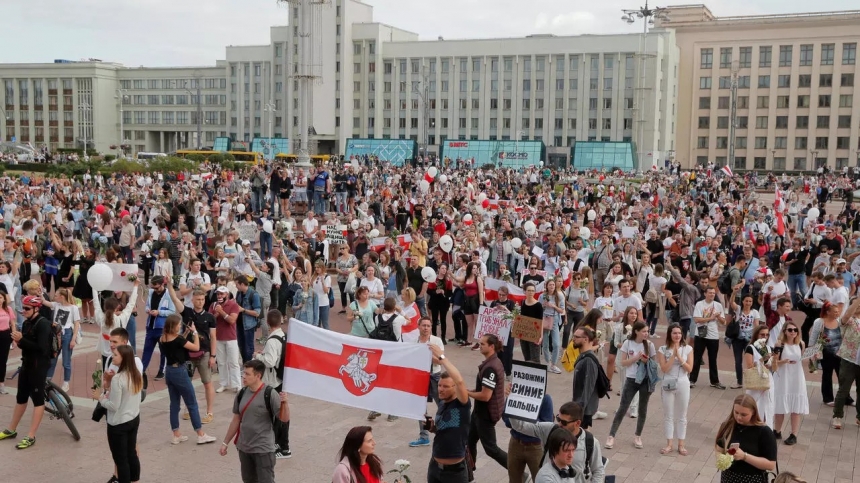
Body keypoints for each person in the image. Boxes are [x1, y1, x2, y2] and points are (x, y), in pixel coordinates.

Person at [219, 360, 285, 483]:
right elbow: (236, 420)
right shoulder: (242, 393)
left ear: (258, 376)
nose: (243, 377)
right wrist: (225, 442)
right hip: (244, 448)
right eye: (243, 373)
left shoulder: (270, 394)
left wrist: (284, 403)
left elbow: (284, 418)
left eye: (247, 374)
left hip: (263, 450)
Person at [509, 401, 606, 483]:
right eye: (558, 419)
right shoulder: (550, 430)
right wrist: (513, 400)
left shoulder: (591, 442)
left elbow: (598, 471)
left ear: (577, 423)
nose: (559, 424)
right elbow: (520, 426)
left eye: (564, 422)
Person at [0, 296, 52, 449]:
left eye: (27, 308)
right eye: (23, 308)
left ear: (36, 309)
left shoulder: (43, 324)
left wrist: (21, 340)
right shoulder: (27, 323)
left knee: (38, 400)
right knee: (21, 397)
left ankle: (31, 435)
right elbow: (26, 345)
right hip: (27, 364)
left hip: (39, 366)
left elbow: (42, 348)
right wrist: (19, 341)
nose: (24, 311)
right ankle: (11, 429)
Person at [157, 314, 216, 445]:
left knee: (174, 404)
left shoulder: (162, 338)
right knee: (192, 403)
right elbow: (196, 347)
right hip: (180, 372)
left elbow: (177, 344)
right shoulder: (178, 339)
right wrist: (194, 332)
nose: (180, 326)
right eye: (178, 325)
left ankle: (176, 434)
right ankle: (200, 434)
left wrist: (185, 333)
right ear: (174, 326)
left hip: (169, 371)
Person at [93, 345, 143, 483]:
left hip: (118, 424)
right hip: (134, 418)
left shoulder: (118, 379)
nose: (112, 357)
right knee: (131, 453)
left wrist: (100, 398)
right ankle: (135, 480)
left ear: (123, 358)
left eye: (115, 355)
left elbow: (113, 406)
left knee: (120, 459)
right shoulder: (136, 374)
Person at [605, 321, 657, 450]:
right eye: (644, 331)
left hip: (645, 380)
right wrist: (636, 358)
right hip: (631, 379)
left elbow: (654, 365)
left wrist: (647, 360)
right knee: (623, 407)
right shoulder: (628, 343)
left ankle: (638, 436)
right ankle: (611, 435)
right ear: (636, 331)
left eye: (647, 331)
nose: (646, 333)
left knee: (642, 409)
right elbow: (623, 362)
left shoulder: (650, 345)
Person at [426, 343, 471, 483]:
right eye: (439, 385)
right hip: (435, 467)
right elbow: (443, 430)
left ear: (454, 388)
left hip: (455, 473)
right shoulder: (441, 403)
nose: (440, 389)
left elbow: (460, 381)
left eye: (446, 386)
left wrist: (442, 357)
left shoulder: (462, 404)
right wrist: (432, 427)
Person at [466, 334, 508, 471]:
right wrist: (470, 390)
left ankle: (517, 469)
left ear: (491, 347)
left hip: (486, 414)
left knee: (491, 449)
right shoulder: (493, 363)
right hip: (479, 412)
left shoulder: (490, 368)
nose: (480, 346)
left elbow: (485, 396)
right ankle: (468, 473)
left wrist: (467, 393)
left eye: (483, 344)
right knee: (469, 441)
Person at [714, 394, 778, 483]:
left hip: (752, 479)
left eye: (744, 414)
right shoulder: (727, 426)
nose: (739, 417)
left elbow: (771, 464)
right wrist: (723, 459)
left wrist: (744, 456)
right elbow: (719, 449)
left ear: (753, 413)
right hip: (728, 478)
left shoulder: (764, 432)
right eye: (736, 412)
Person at [254, 309, 291, 459]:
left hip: (274, 381)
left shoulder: (272, 340)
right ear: (281, 320)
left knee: (279, 415)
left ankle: (283, 447)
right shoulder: (284, 336)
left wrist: (258, 356)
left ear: (268, 323)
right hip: (282, 379)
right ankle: (279, 443)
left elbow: (270, 361)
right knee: (280, 413)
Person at [180, 288, 217, 425]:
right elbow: (174, 299)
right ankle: (188, 409)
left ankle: (209, 411)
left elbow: (213, 337)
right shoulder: (187, 313)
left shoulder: (210, 317)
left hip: (204, 353)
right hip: (188, 353)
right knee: (187, 383)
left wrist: (213, 356)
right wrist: (170, 286)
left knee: (207, 382)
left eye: (202, 300)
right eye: (198, 300)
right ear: (193, 300)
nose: (200, 302)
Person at [656, 323, 693, 456]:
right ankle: (669, 444)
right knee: (668, 415)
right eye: (674, 333)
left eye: (679, 333)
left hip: (683, 382)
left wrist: (680, 357)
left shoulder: (688, 348)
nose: (677, 335)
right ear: (669, 335)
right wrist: (673, 356)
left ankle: (681, 444)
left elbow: (689, 369)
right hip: (668, 382)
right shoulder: (662, 349)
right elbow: (664, 368)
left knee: (682, 415)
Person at [809, 302, 855, 407]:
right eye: (835, 312)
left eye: (838, 312)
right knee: (827, 375)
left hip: (840, 354)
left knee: (843, 377)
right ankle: (828, 398)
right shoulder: (819, 322)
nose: (837, 314)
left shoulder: (839, 321)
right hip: (826, 354)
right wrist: (811, 352)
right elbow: (813, 337)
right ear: (828, 312)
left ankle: (847, 398)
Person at [409, 317, 444, 448]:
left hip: (434, 375)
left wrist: (427, 354)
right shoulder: (414, 341)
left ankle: (443, 433)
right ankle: (424, 435)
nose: (426, 328)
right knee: (420, 407)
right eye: (423, 325)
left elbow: (441, 360)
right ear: (418, 326)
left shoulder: (436, 341)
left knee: (442, 405)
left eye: (428, 326)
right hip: (420, 376)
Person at [771, 320, 808, 445]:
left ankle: (794, 434)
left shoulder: (801, 344)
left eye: (795, 330)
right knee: (780, 405)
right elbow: (774, 363)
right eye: (790, 330)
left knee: (795, 406)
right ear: (785, 331)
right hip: (783, 376)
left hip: (797, 377)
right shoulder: (779, 344)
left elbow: (801, 359)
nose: (793, 332)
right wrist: (784, 361)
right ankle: (777, 430)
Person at [502, 394, 553, 482]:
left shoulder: (545, 398)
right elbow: (507, 420)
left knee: (540, 479)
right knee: (514, 479)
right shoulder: (514, 395)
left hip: (536, 446)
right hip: (515, 443)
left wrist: (521, 419)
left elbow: (546, 426)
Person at [44, 287, 81, 392]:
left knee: (66, 361)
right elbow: (44, 302)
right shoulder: (56, 305)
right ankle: (48, 379)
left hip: (67, 334)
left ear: (62, 297)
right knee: (53, 358)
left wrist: (73, 339)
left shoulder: (73, 308)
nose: (54, 297)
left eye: (56, 295)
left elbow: (76, 323)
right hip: (56, 334)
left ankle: (66, 382)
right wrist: (40, 293)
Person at [691, 286, 727, 389]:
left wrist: (718, 317)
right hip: (700, 334)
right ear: (705, 294)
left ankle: (714, 381)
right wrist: (710, 318)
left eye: (713, 293)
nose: (712, 295)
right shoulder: (700, 304)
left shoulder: (718, 305)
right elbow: (696, 319)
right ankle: (692, 379)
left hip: (713, 335)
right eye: (710, 293)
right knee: (697, 358)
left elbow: (723, 322)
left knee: (713, 359)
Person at [210, 286, 242, 393]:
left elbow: (232, 320)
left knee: (233, 362)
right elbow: (210, 320)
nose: (219, 296)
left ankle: (237, 384)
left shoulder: (233, 305)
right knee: (222, 363)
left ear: (227, 295)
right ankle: (224, 383)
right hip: (218, 338)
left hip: (231, 338)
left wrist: (222, 312)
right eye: (218, 294)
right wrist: (216, 314)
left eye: (222, 294)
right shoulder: (213, 305)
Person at [744, 325, 776, 429]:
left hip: (767, 379)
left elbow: (774, 368)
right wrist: (762, 360)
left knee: (768, 406)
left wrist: (775, 357)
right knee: (754, 405)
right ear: (757, 335)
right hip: (755, 381)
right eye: (762, 334)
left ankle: (766, 429)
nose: (765, 337)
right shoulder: (750, 348)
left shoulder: (769, 348)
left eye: (767, 335)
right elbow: (749, 366)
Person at [727, 290, 759, 389]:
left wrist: (754, 339)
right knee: (738, 361)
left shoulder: (755, 312)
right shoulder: (739, 309)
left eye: (750, 301)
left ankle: (753, 381)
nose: (748, 303)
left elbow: (756, 326)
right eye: (746, 301)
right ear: (743, 301)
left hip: (749, 339)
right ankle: (739, 382)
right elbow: (731, 302)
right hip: (737, 338)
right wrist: (733, 293)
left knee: (751, 360)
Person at [571, 326, 601, 429]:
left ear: (585, 339)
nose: (573, 339)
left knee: (580, 438)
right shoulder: (583, 356)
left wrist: (580, 410)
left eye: (576, 337)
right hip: (580, 406)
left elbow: (589, 387)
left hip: (584, 409)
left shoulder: (589, 360)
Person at [235, 275, 262, 363]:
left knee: (248, 346)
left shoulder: (254, 294)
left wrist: (243, 310)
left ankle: (250, 364)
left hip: (248, 324)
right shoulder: (239, 293)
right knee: (241, 345)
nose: (236, 287)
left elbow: (257, 312)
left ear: (242, 284)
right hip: (239, 323)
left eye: (237, 285)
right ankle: (245, 363)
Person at [539, 278, 564, 374]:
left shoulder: (559, 296)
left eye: (553, 284)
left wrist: (553, 306)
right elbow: (539, 307)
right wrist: (544, 305)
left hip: (554, 319)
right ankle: (548, 362)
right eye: (550, 285)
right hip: (545, 318)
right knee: (545, 343)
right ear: (547, 286)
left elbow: (562, 310)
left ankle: (553, 364)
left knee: (556, 344)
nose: (552, 286)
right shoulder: (542, 296)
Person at [520, 283, 543, 363]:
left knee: (535, 359)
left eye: (533, 291)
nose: (530, 292)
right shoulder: (522, 302)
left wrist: (541, 336)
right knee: (527, 358)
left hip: (534, 334)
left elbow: (541, 321)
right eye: (529, 290)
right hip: (523, 334)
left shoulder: (538, 305)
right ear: (525, 291)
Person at [0, 292, 15, 394]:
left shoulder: (8, 309)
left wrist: (14, 338)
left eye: (0, 297)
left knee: (2, 360)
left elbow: (13, 324)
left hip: (5, 335)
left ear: (4, 299)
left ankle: (1, 384)